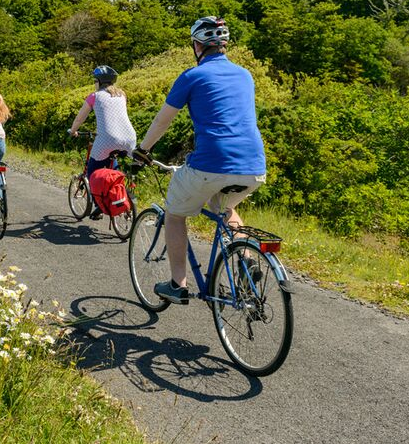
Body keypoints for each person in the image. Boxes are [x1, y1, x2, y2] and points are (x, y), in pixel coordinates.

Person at [132, 17, 267, 305]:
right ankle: (247, 260)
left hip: (211, 162)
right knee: (224, 207)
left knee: (174, 213)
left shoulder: (192, 76)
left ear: (197, 46)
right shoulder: (245, 75)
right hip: (254, 165)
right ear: (223, 45)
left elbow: (162, 121)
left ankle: (177, 284)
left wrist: (142, 150)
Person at [69, 65, 137, 216]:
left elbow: (80, 118)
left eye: (95, 81)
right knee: (114, 164)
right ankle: (120, 190)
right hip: (129, 137)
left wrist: (73, 131)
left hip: (107, 139)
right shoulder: (122, 94)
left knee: (93, 172)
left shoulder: (94, 96)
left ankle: (100, 205)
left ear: (99, 81)